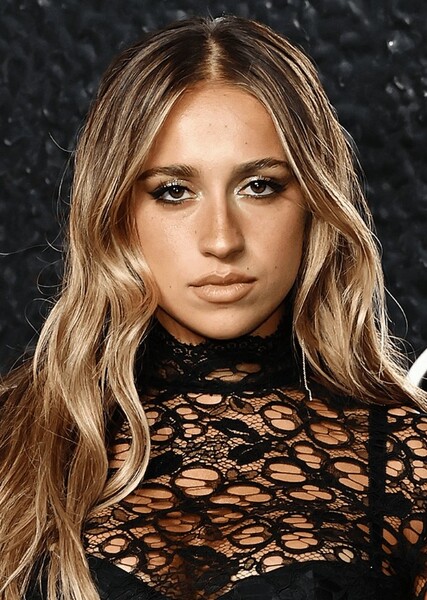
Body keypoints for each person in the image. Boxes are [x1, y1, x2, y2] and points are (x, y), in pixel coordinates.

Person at [0, 15, 426, 600]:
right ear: (118, 212)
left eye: (260, 186)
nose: (222, 240)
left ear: (313, 202)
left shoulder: (409, 455)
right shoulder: (15, 439)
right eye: (174, 191)